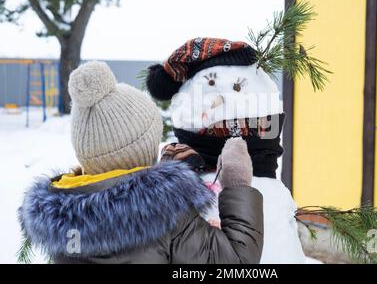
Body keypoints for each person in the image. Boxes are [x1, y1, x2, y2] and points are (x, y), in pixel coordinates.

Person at [18, 61, 263, 264]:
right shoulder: (166, 213)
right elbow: (237, 263)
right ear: (142, 148)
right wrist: (237, 184)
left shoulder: (60, 220)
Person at [145, 38, 307, 263]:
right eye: (210, 87)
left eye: (238, 88)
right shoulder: (272, 190)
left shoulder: (178, 190)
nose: (221, 100)